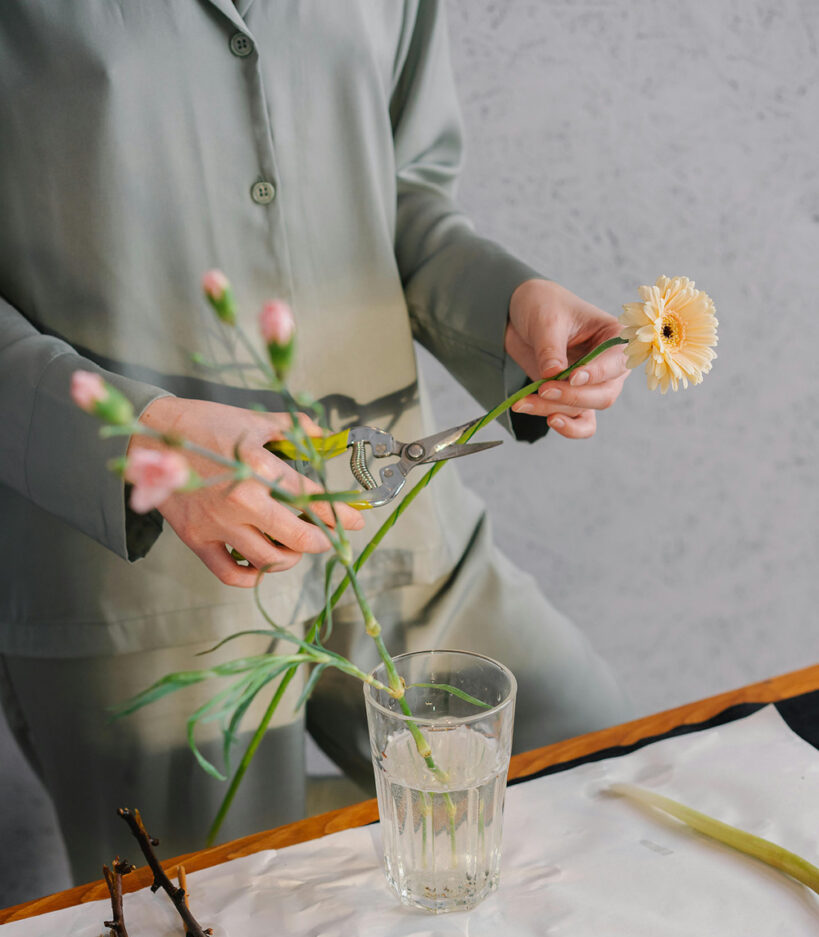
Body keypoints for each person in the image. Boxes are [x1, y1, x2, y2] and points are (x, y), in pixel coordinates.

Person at [0, 1, 630, 884]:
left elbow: (401, 188)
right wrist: (146, 439)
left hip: (405, 525)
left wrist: (508, 307)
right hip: (146, 590)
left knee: (621, 798)